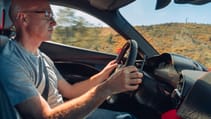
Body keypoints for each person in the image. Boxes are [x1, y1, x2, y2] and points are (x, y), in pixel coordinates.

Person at [0, 0, 143, 119]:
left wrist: (104, 75)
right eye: (47, 14)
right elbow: (43, 117)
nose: (54, 22)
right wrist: (107, 88)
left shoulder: (42, 57)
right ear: (24, 18)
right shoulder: (10, 62)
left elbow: (70, 91)